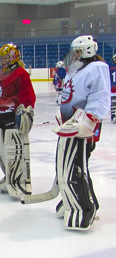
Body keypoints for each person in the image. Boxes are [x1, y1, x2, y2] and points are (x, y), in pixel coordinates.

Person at [53, 35, 110, 230]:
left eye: (78, 51)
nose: (74, 55)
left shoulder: (97, 68)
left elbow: (101, 96)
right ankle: (70, 200)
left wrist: (90, 120)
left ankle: (84, 207)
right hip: (68, 126)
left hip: (82, 128)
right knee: (63, 166)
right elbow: (68, 95)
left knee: (76, 167)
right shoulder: (75, 69)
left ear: (87, 51)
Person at [0, 43, 36, 198]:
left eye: (6, 57)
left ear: (14, 57)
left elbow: (28, 98)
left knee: (14, 150)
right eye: (2, 58)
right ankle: (10, 175)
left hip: (13, 117)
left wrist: (25, 113)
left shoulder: (21, 74)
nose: (3, 61)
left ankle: (19, 180)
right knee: (1, 149)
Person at [109, 54, 116, 123]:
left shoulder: (110, 68)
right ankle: (113, 115)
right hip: (113, 88)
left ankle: (113, 115)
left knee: (113, 102)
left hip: (113, 88)